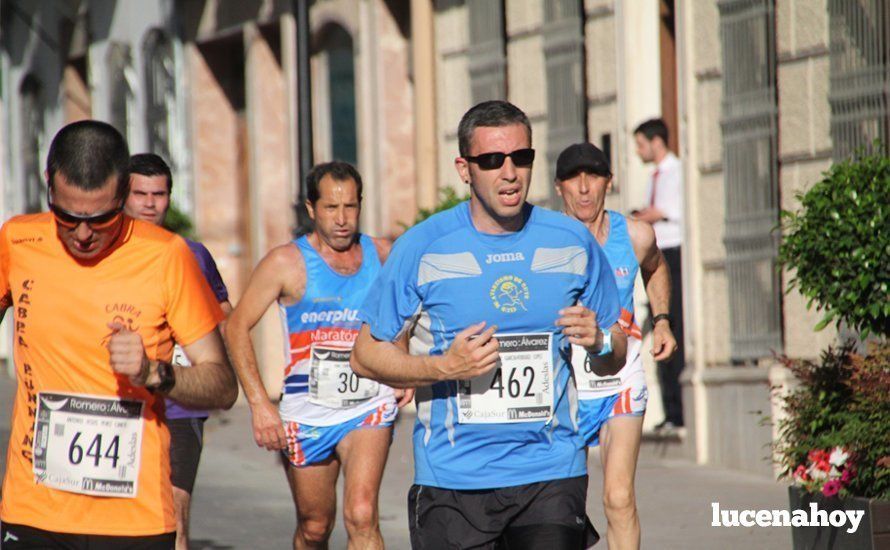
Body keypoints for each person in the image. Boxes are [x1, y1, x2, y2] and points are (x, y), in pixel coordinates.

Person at [351, 100, 627, 550]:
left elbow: (616, 353)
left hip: (551, 471)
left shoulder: (572, 241)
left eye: (522, 157)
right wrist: (444, 367)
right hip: (452, 477)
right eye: (492, 160)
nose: (510, 172)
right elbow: (364, 355)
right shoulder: (423, 246)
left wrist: (599, 342)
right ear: (464, 168)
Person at [0, 120, 238, 549]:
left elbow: (222, 386)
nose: (84, 234)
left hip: (135, 520)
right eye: (68, 218)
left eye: (101, 218)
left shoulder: (167, 257)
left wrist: (154, 373)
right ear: (48, 188)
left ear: (123, 191)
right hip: (33, 509)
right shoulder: (18, 240)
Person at [225, 161, 411, 550]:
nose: (342, 219)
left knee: (361, 514)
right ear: (311, 209)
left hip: (369, 404)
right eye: (331, 208)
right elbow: (236, 326)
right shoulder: (285, 262)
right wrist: (260, 404)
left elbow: (402, 313)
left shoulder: (384, 254)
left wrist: (402, 362)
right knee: (314, 526)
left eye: (351, 207)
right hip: (306, 409)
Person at [555, 142, 678, 550]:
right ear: (560, 188)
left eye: (594, 177)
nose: (585, 188)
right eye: (574, 179)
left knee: (619, 497)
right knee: (559, 511)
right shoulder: (545, 245)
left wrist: (661, 321)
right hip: (564, 388)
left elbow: (656, 266)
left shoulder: (637, 234)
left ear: (609, 182)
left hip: (621, 380)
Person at [125, 153, 233, 550]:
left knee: (175, 517)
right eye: (140, 194)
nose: (150, 203)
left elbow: (223, 317)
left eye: (159, 194)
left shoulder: (191, 254)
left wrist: (227, 377)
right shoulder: (104, 255)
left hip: (180, 403)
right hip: (121, 403)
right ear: (123, 195)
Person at [631, 118, 685, 431]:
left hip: (672, 253)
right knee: (655, 323)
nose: (638, 151)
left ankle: (677, 411)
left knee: (668, 322)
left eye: (641, 144)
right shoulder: (655, 175)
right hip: (654, 254)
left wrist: (640, 217)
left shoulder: (676, 172)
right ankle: (669, 409)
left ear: (656, 141)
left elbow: (666, 211)